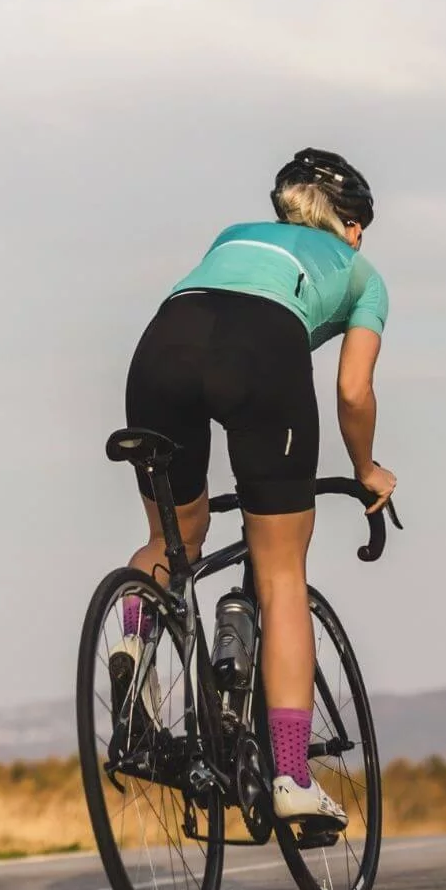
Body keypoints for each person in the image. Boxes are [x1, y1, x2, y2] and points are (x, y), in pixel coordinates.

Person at [117, 148, 396, 827]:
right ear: (352, 225)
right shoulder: (363, 274)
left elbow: (220, 307)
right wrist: (367, 469)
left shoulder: (233, 236)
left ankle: (132, 647)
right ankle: (294, 774)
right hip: (261, 352)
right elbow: (353, 390)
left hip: (163, 344)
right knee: (280, 572)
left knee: (170, 538)